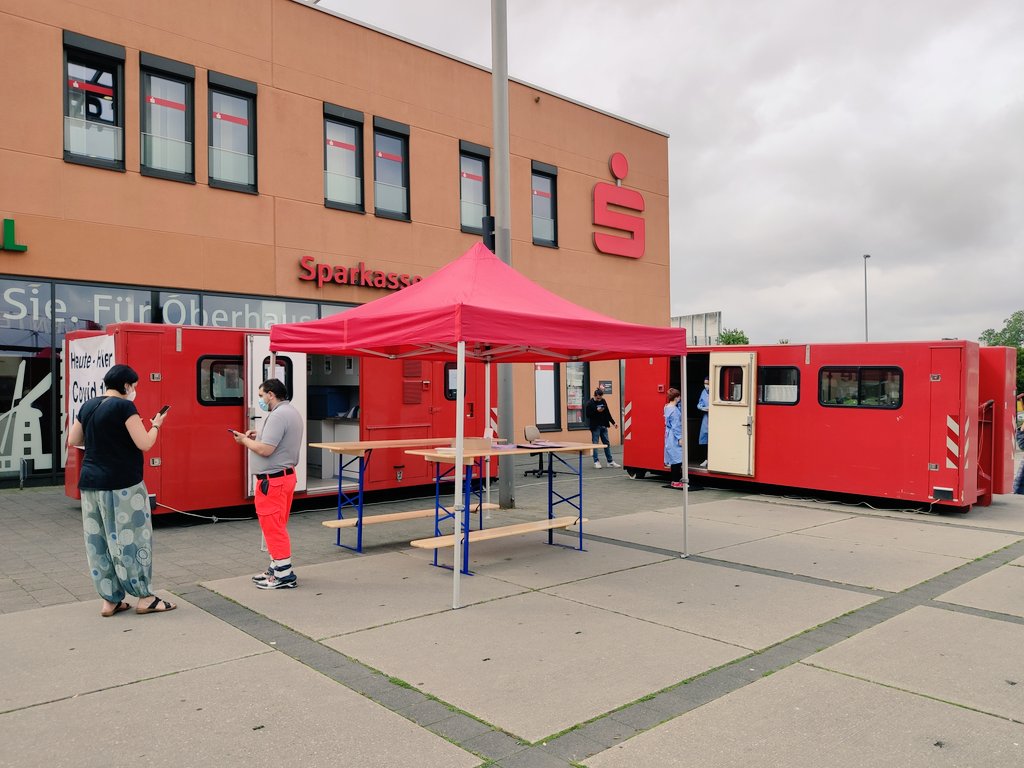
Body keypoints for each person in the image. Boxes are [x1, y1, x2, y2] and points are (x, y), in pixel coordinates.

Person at [67, 364, 175, 617]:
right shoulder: (125, 406)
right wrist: (157, 425)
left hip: (91, 483)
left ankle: (110, 600)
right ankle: (145, 596)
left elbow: (73, 440)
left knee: (99, 541)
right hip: (123, 483)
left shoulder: (89, 405)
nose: (135, 390)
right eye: (134, 385)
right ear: (126, 385)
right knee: (132, 539)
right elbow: (145, 443)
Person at [233, 378, 304, 589]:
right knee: (277, 524)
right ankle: (277, 566)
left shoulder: (278, 415)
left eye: (262, 395)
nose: (261, 400)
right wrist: (260, 435)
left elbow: (266, 450)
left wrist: (244, 440)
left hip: (272, 482)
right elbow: (276, 441)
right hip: (283, 478)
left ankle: (284, 574)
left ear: (271, 394)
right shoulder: (290, 411)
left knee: (272, 527)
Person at [584, 387, 619, 469]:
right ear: (595, 396)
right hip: (595, 426)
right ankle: (596, 462)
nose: (600, 400)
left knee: (606, 444)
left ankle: (610, 461)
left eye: (601, 398)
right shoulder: (590, 403)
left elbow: (607, 412)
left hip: (604, 425)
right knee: (595, 444)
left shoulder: (603, 401)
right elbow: (588, 415)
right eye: (598, 398)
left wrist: (613, 423)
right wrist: (597, 411)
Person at [664, 388, 683, 488]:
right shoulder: (675, 411)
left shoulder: (667, 407)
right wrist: (680, 438)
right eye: (679, 396)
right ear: (676, 397)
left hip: (668, 435)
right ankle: (676, 481)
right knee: (678, 459)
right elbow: (676, 426)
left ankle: (674, 481)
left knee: (673, 458)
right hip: (674, 436)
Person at [696, 377, 710, 467]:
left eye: (708, 383)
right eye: (705, 383)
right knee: (705, 438)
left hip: (715, 417)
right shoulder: (703, 392)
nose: (706, 385)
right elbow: (699, 403)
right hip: (706, 417)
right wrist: (702, 407)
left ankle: (711, 459)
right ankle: (706, 459)